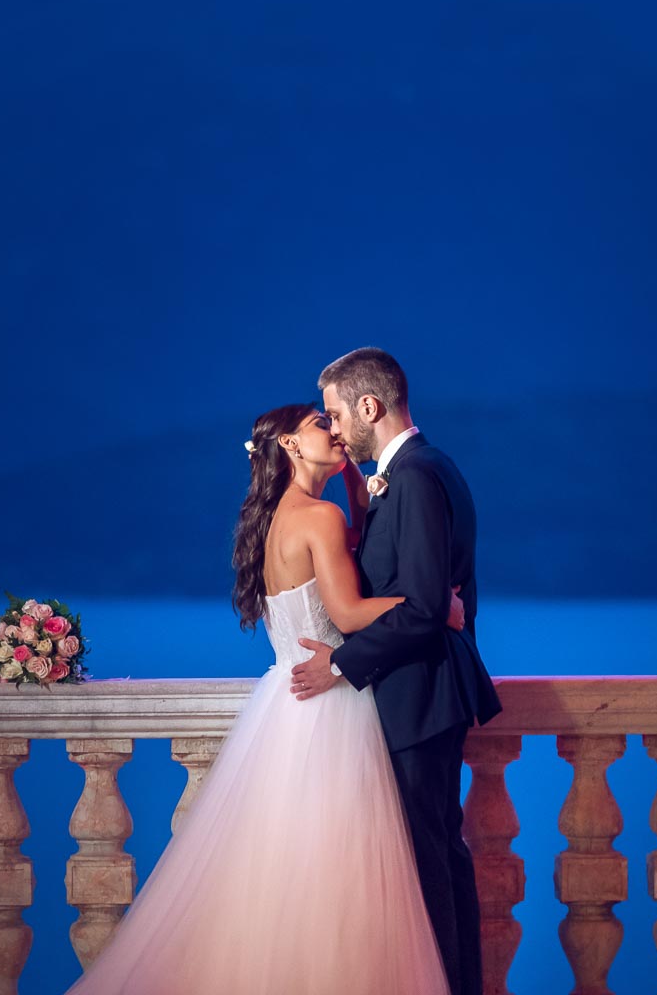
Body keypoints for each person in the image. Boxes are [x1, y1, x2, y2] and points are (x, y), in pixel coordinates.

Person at [63, 402, 466, 995]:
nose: (335, 430)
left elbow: (353, 551)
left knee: (283, 872)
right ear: (290, 445)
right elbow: (349, 613)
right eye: (320, 424)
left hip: (284, 703)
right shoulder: (320, 517)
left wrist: (355, 480)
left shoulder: (281, 516)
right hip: (331, 706)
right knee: (336, 873)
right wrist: (433, 607)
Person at [290, 347, 503, 995]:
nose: (333, 428)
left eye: (335, 413)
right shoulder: (421, 469)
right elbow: (428, 595)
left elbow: (425, 608)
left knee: (427, 863)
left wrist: (341, 665)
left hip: (421, 695)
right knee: (437, 857)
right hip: (423, 691)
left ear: (369, 406)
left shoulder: (414, 476)